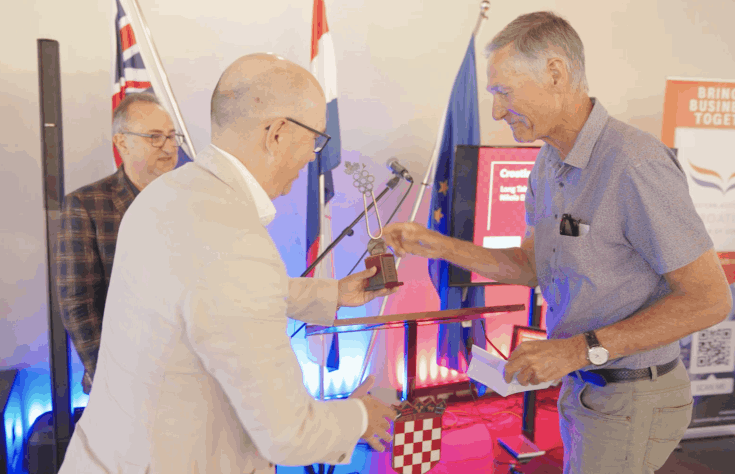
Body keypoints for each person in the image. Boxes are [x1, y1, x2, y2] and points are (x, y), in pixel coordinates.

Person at [382, 11, 732, 474]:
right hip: (586, 387)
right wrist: (437, 245)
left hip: (631, 394)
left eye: (504, 92)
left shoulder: (635, 163)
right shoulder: (547, 163)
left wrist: (574, 350)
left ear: (555, 73)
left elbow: (710, 300)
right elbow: (531, 266)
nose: (496, 111)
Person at [59, 53, 397, 474]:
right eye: (315, 140)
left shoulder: (167, 193)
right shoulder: (233, 239)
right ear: (277, 133)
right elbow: (288, 434)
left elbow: (207, 290)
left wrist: (334, 293)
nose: (314, 157)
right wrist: (360, 418)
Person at [55, 93, 180, 394]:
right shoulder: (86, 205)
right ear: (122, 143)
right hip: (125, 376)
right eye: (155, 137)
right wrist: (109, 377)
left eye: (172, 136)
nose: (168, 148)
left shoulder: (191, 199)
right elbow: (78, 304)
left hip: (187, 373)